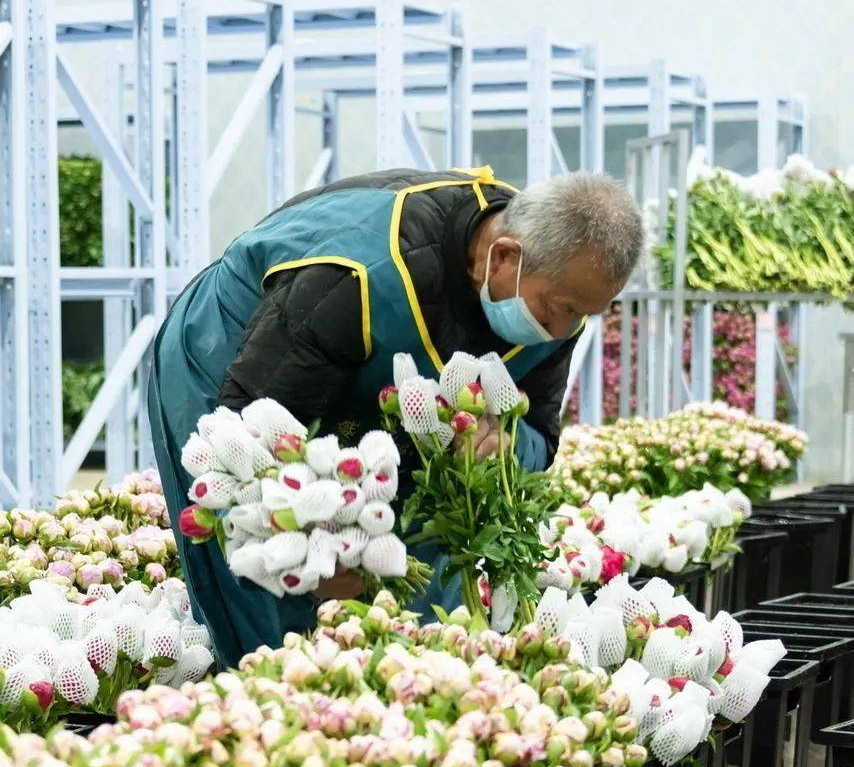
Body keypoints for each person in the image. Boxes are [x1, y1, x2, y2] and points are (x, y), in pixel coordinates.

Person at [149, 166, 643, 667]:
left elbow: (537, 429)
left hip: (365, 378)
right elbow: (252, 436)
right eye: (559, 309)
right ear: (504, 256)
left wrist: (502, 446)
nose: (565, 329)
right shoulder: (362, 275)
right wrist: (316, 558)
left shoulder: (559, 285)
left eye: (582, 315)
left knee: (418, 575)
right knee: (269, 590)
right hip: (237, 360)